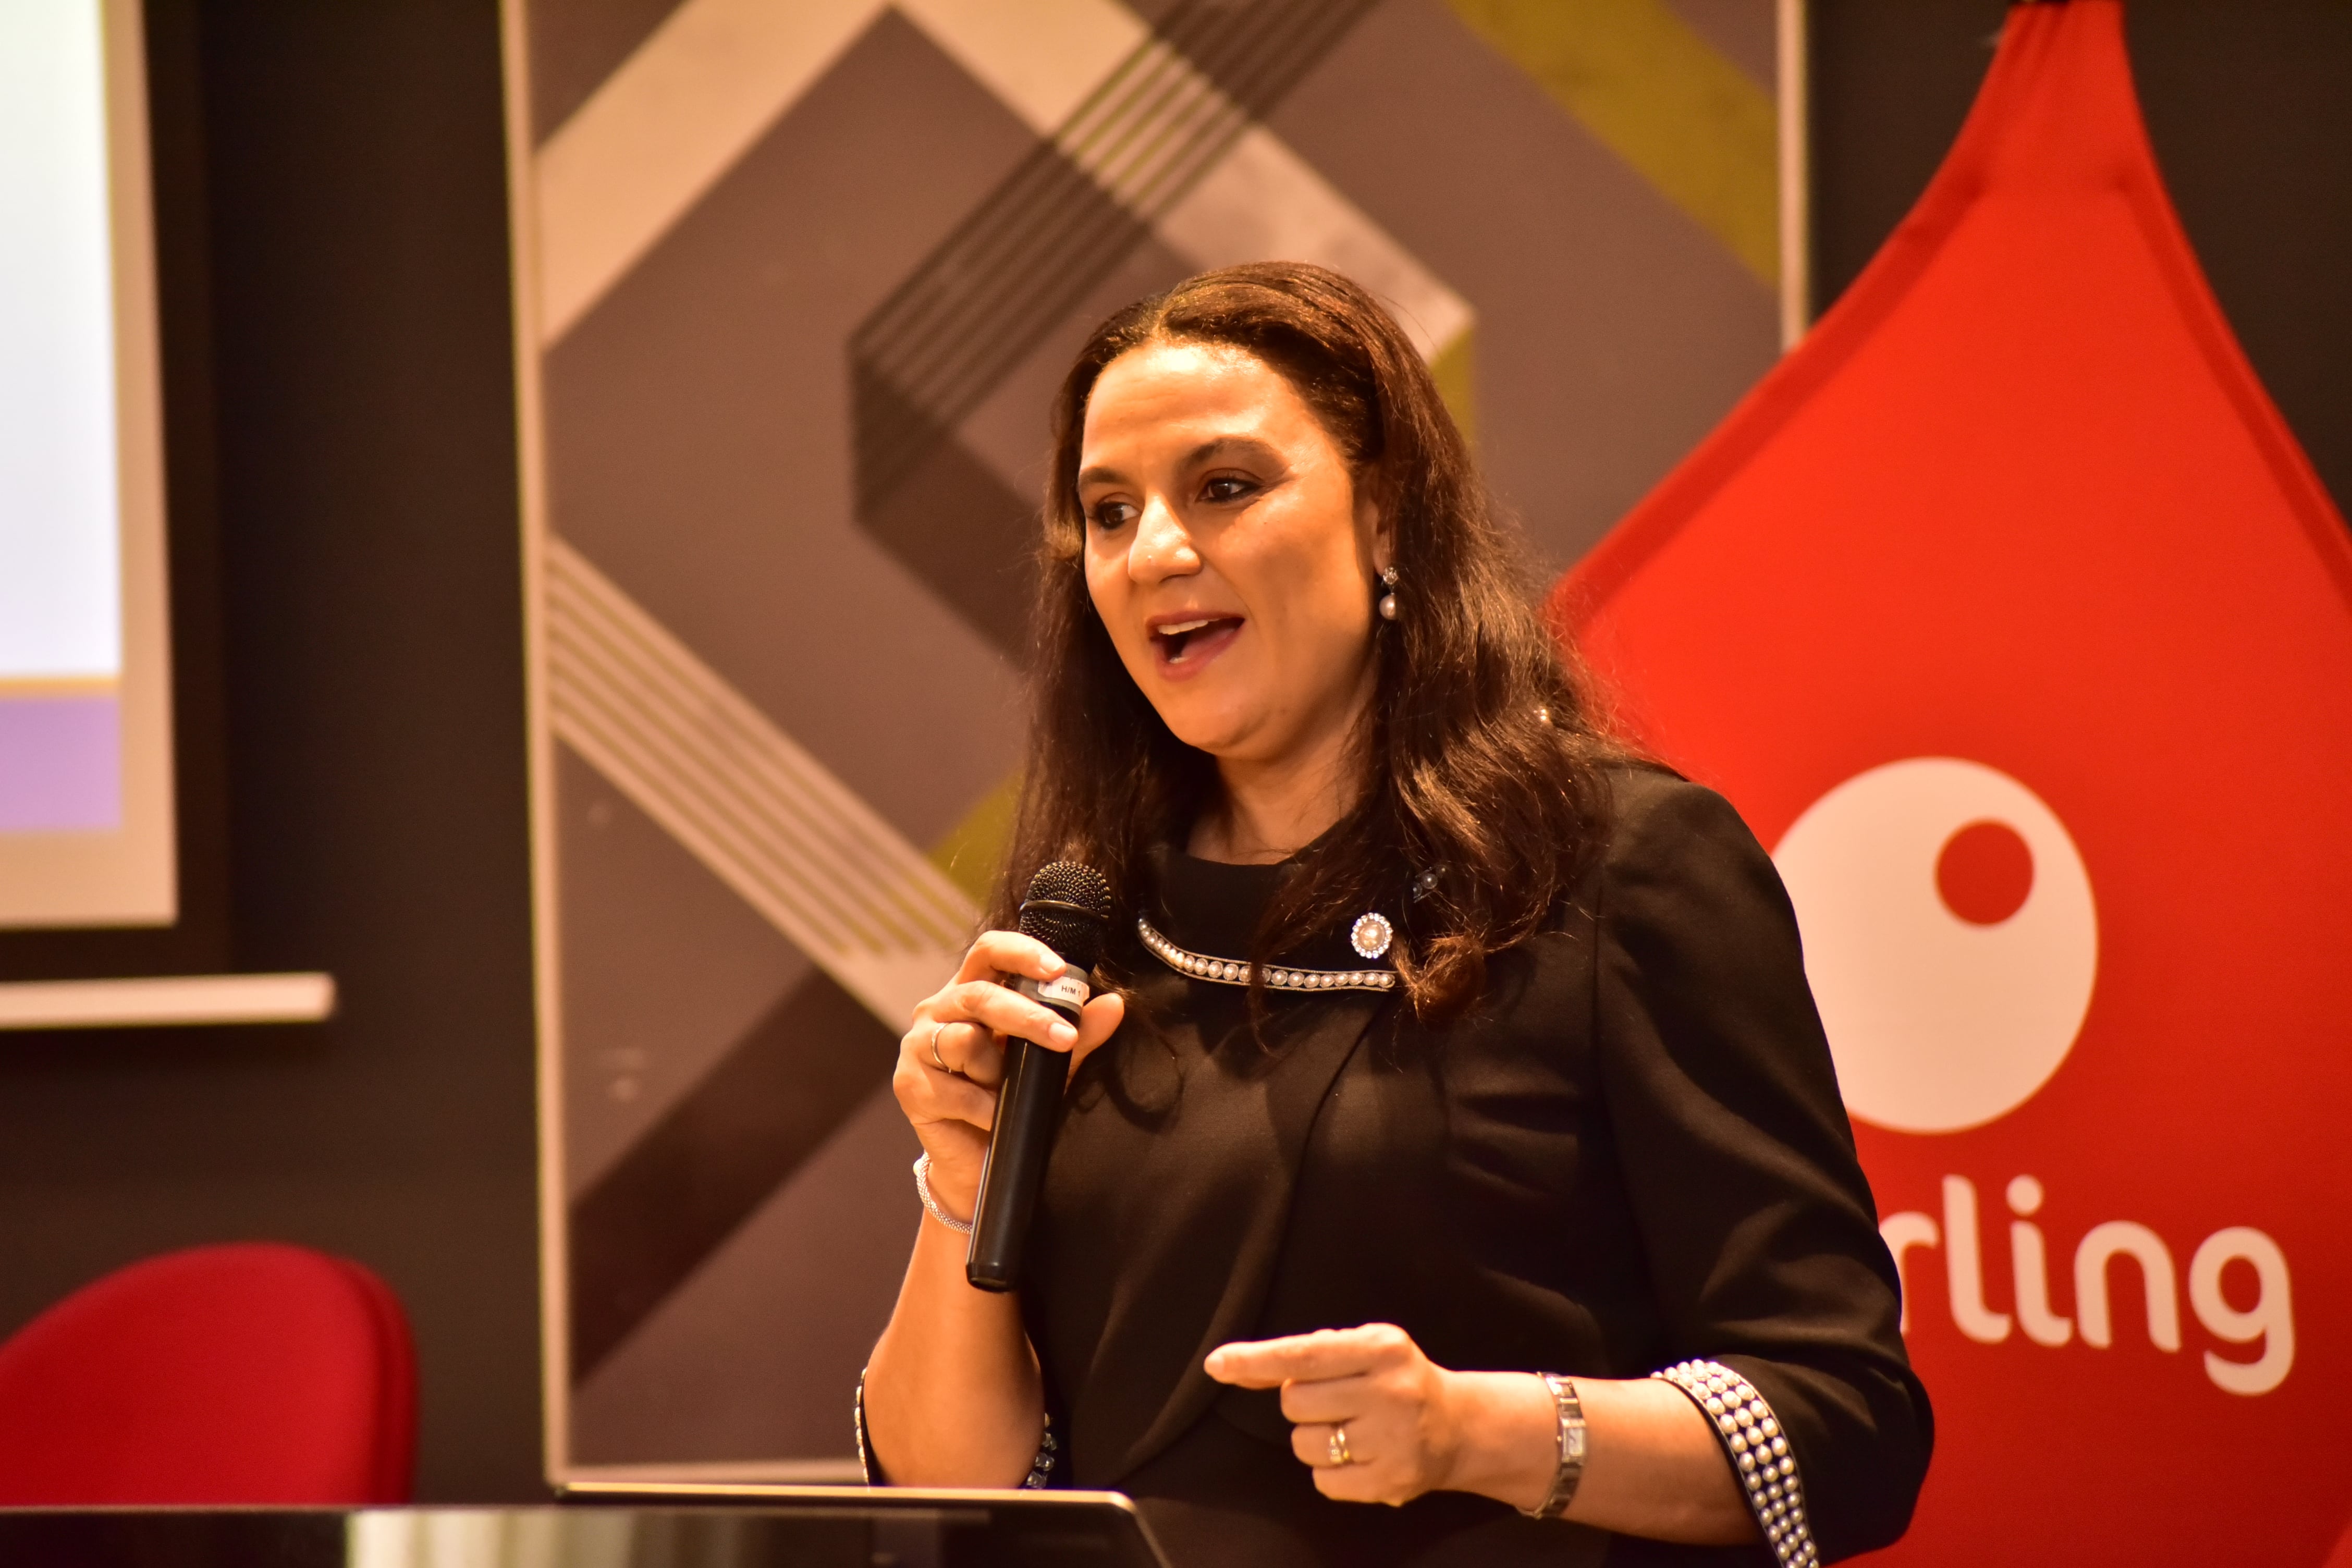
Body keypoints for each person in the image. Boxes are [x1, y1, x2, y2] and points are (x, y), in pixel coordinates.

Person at [858, 262, 1929, 1566]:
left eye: (1225, 486)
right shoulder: (1087, 926)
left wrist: (1476, 1433)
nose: (1157, 553)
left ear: (1386, 517)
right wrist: (960, 1193)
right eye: (1109, 511)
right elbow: (948, 1489)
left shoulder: (1622, 867)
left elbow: (1843, 1425)